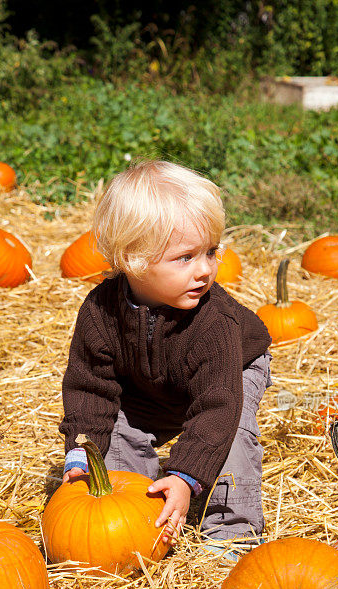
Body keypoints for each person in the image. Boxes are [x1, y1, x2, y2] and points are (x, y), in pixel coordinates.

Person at [59, 159, 272, 561]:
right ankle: (141, 515)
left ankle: (231, 535)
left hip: (231, 372)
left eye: (211, 253)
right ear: (133, 258)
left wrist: (186, 475)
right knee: (120, 433)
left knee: (233, 434)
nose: (205, 270)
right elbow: (90, 387)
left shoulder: (214, 323)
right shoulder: (100, 312)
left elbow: (216, 406)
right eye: (186, 257)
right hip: (152, 384)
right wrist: (81, 450)